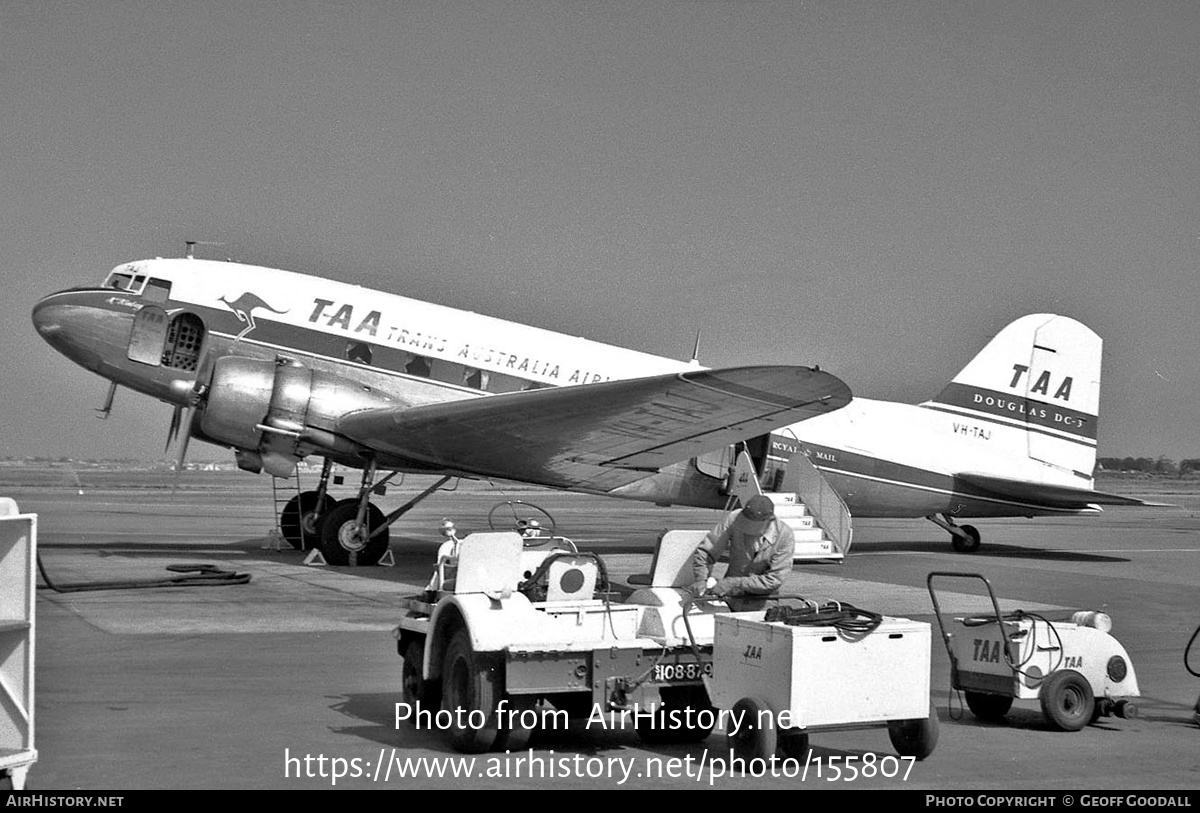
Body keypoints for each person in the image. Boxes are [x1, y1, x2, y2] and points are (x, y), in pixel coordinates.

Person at [691, 494, 795, 610]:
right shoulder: (734, 518)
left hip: (763, 601)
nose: (749, 531)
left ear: (770, 520)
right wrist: (701, 579)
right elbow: (706, 552)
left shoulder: (785, 535)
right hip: (731, 597)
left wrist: (734, 583)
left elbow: (774, 579)